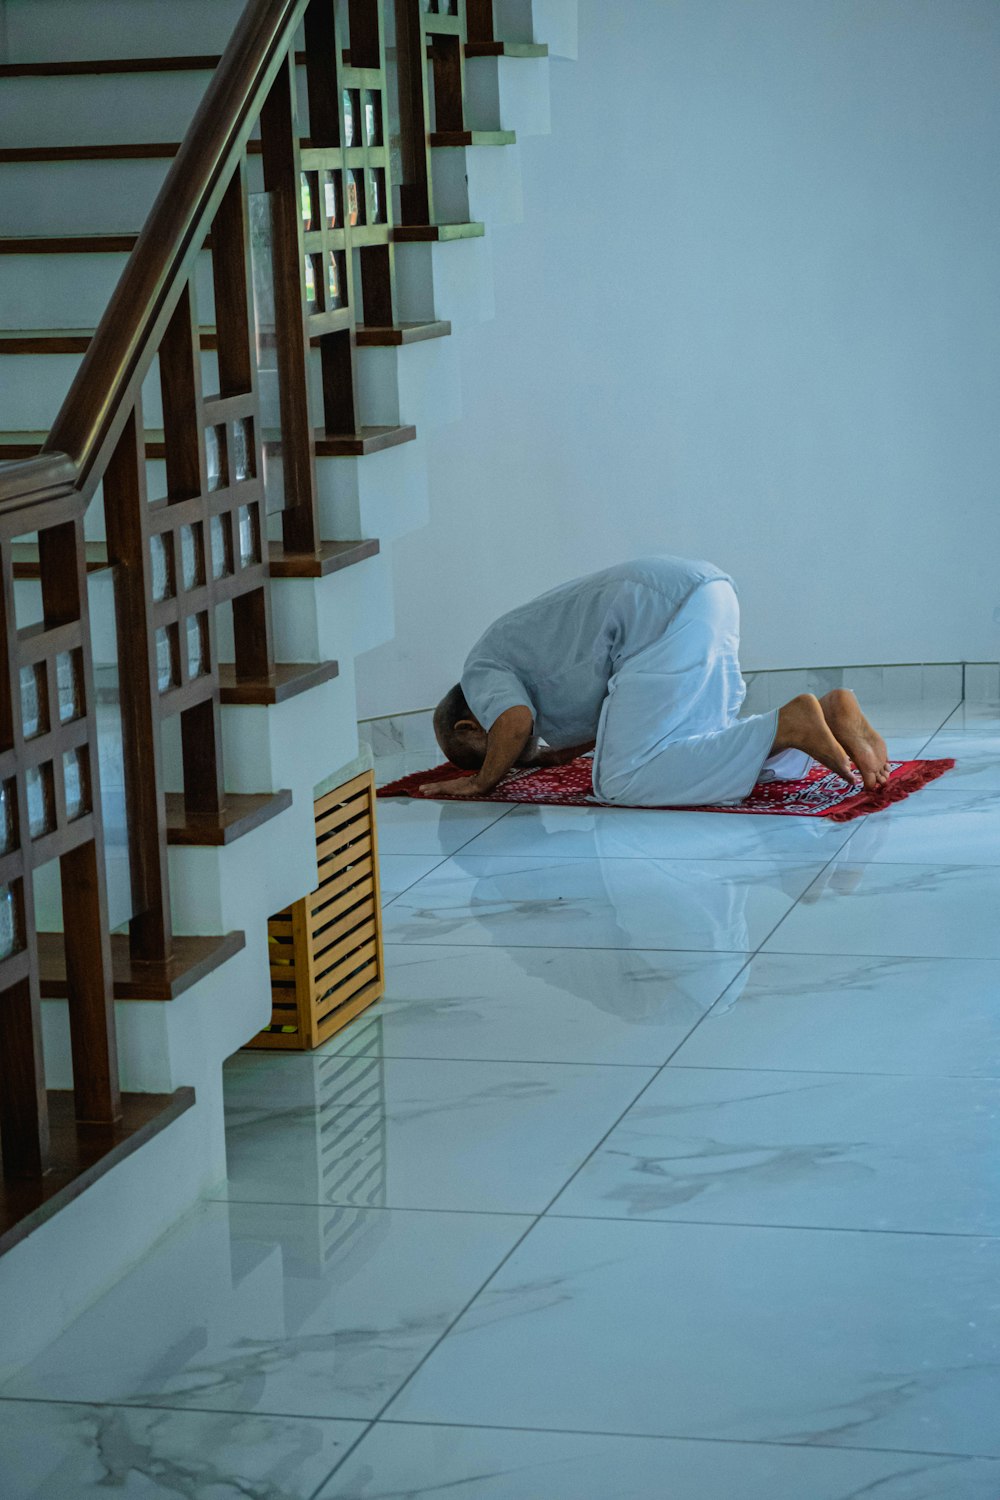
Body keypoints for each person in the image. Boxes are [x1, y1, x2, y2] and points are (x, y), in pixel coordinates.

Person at [424, 555, 889, 806]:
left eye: (484, 756)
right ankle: (825, 714)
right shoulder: (516, 649)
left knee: (620, 782)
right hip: (707, 594)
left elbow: (514, 721)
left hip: (656, 621)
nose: (509, 765)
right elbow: (592, 718)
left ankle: (790, 724)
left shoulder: (479, 667)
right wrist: (559, 755)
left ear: (469, 726)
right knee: (700, 740)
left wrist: (481, 783)